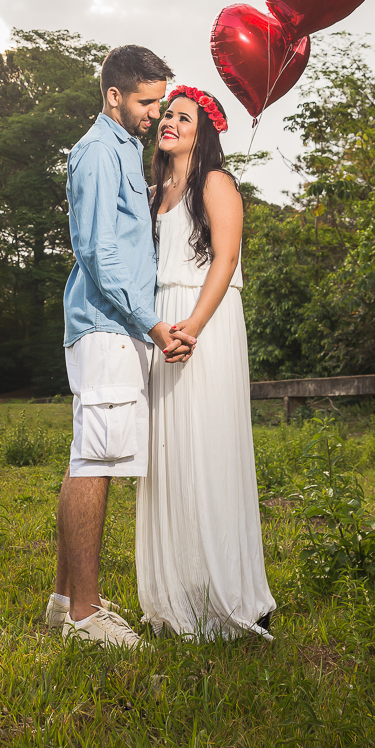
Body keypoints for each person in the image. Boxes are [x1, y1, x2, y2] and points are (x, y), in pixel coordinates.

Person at [46, 46, 197, 649]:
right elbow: (98, 251)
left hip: (117, 327)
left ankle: (65, 602)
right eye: (146, 101)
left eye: (160, 101)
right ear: (114, 96)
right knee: (99, 462)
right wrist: (151, 324)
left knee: (88, 455)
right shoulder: (97, 152)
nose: (155, 113)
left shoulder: (123, 152)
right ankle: (87, 616)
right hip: (108, 326)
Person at [135, 85, 276, 641]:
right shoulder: (152, 193)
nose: (168, 122)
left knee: (209, 448)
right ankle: (179, 595)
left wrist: (192, 325)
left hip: (206, 321)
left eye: (183, 118)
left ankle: (234, 596)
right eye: (166, 115)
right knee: (169, 457)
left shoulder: (215, 183)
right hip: (161, 326)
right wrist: (156, 328)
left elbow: (227, 257)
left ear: (204, 133)